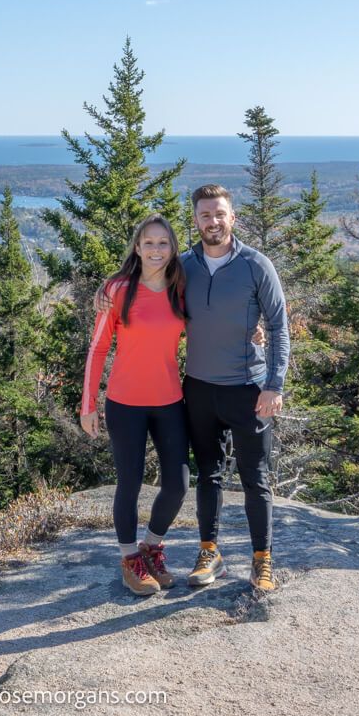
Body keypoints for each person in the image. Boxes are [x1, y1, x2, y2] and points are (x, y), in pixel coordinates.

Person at [95, 184, 289, 592]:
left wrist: (274, 383)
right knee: (208, 476)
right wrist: (108, 285)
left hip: (248, 388)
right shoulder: (184, 267)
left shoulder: (257, 265)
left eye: (219, 214)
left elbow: (278, 325)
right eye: (204, 215)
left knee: (256, 477)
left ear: (232, 217)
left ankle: (262, 559)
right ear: (196, 221)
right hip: (197, 389)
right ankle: (209, 553)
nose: (212, 222)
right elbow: (144, 273)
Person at [80, 214, 190, 596]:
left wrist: (252, 331)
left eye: (163, 243)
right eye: (149, 243)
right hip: (125, 403)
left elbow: (211, 324)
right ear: (137, 248)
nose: (156, 250)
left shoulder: (182, 287)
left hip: (170, 402)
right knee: (129, 483)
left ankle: (152, 547)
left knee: (178, 484)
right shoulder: (118, 290)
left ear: (173, 248)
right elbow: (97, 349)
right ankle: (130, 559)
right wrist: (87, 404)